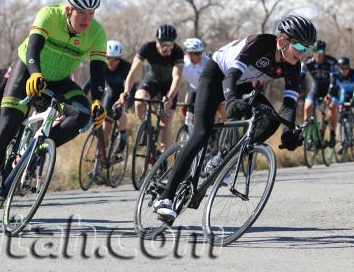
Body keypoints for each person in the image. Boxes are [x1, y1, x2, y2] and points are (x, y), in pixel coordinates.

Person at [153, 15, 317, 220]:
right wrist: (230, 100)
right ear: (282, 41)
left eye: (307, 49)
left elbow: (289, 105)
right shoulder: (259, 43)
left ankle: (222, 157)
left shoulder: (293, 65)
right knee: (201, 134)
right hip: (218, 75)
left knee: (272, 120)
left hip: (242, 83)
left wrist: (288, 132)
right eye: (300, 48)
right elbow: (230, 76)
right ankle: (165, 197)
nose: (303, 54)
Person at [0, 0, 108, 214]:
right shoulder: (49, 15)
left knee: (83, 117)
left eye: (91, 13)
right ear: (68, 10)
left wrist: (97, 101)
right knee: (7, 127)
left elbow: (98, 73)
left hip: (59, 79)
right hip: (28, 70)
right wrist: (35, 75)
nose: (87, 19)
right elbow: (33, 48)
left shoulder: (96, 33)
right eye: (81, 13)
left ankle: (35, 150)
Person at [119, 25, 184, 149]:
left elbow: (177, 77)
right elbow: (133, 72)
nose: (165, 48)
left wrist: (169, 97)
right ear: (156, 41)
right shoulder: (147, 48)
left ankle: (164, 157)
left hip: (169, 86)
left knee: (166, 121)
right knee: (139, 101)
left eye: (169, 45)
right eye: (162, 44)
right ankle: (145, 125)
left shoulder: (178, 52)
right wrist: (126, 91)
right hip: (151, 81)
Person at [82, 40, 131, 153]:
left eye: (116, 59)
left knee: (120, 113)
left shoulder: (125, 66)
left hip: (121, 95)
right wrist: (79, 97)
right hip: (109, 94)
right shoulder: (101, 66)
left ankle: (123, 136)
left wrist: (127, 100)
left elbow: (132, 85)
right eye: (109, 58)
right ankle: (100, 158)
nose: (113, 62)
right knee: (105, 127)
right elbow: (89, 84)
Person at [300, 40, 339, 146]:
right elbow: (300, 78)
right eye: (315, 50)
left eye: (320, 51)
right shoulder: (307, 62)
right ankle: (306, 133)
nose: (318, 53)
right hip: (316, 89)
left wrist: (330, 94)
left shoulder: (332, 62)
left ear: (324, 51)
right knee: (307, 107)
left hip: (330, 90)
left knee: (332, 107)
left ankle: (332, 134)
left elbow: (334, 80)